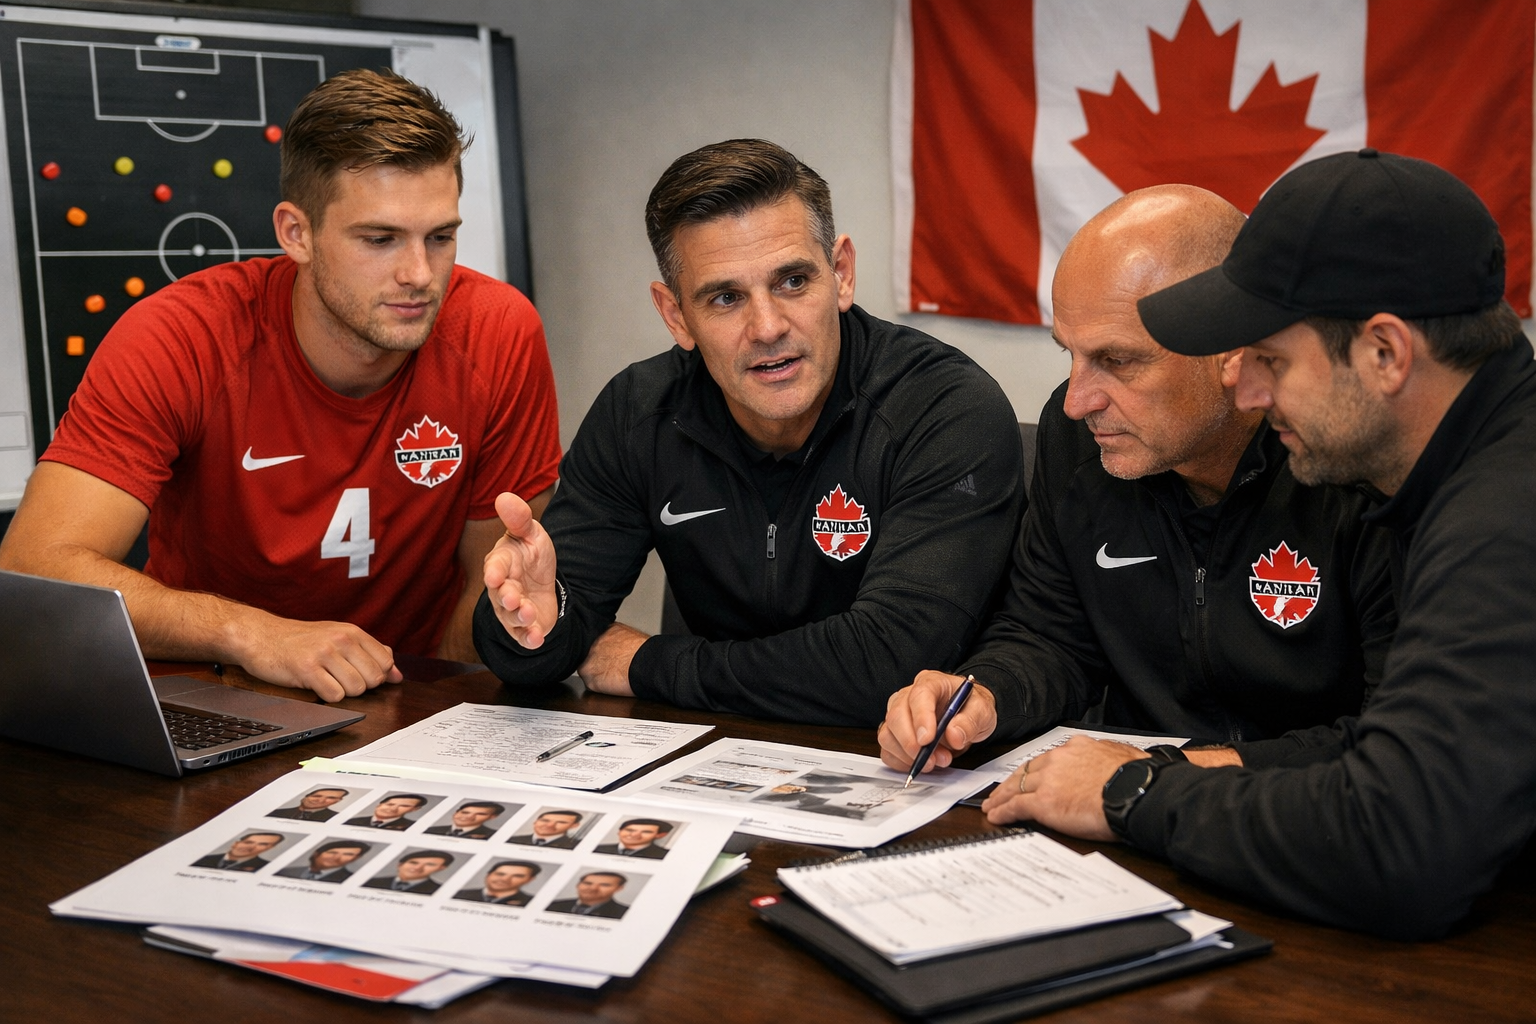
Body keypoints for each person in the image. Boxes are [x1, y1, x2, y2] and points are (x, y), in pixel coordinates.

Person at [981, 149, 1536, 940]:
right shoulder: (1468, 463)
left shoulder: (1502, 515)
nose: (1248, 389)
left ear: (1385, 354)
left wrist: (1132, 794)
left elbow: (1402, 846)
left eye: (1271, 360)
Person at [0, 69, 561, 703]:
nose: (420, 274)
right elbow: (33, 568)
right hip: (214, 693)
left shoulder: (499, 332)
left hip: (405, 702)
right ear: (296, 233)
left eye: (441, 237)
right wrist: (252, 635)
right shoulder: (179, 338)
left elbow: (483, 586)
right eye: (379, 239)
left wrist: (430, 721)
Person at [473, 138, 1024, 726]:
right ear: (676, 315)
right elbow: (531, 652)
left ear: (841, 274)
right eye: (727, 298)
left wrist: (648, 664)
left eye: (792, 282)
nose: (767, 328)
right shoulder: (640, 413)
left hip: (918, 768)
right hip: (721, 761)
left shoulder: (944, 407)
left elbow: (889, 667)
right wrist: (534, 620)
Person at [879, 185, 1398, 779]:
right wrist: (985, 698)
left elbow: (1401, 738)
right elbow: (1048, 635)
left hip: (1306, 816)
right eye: (1069, 354)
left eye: (1117, 361)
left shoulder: (1348, 459)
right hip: (1124, 816)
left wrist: (1163, 776)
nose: (1077, 401)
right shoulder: (1077, 439)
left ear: (1231, 347)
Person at [275, 839, 370, 883]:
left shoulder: (351, 880)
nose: (336, 858)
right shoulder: (285, 871)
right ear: (316, 854)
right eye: (332, 852)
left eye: (348, 854)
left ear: (356, 858)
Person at [363, 850, 455, 895]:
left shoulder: (440, 891)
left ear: (442, 868)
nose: (417, 868)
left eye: (430, 864)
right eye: (413, 862)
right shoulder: (369, 882)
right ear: (400, 865)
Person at [546, 871, 630, 919]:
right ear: (578, 885)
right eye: (587, 883)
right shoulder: (552, 905)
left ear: (619, 888)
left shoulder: (625, 913)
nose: (593, 888)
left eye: (604, 885)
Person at [454, 860, 542, 905]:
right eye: (500, 874)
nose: (504, 879)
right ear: (488, 875)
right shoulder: (458, 894)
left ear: (530, 879)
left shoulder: (532, 902)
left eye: (517, 876)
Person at [192, 833, 284, 872]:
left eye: (262, 844)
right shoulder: (202, 858)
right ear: (236, 843)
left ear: (270, 848)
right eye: (248, 842)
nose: (250, 847)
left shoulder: (267, 867)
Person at [594, 819, 672, 859]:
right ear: (619, 832)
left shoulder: (666, 855)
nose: (634, 835)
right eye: (629, 830)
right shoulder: (597, 848)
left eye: (646, 832)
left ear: (660, 835)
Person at [425, 800, 506, 839]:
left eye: (480, 814)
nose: (469, 817)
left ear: (493, 817)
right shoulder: (430, 830)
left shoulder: (494, 836)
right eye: (465, 812)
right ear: (456, 813)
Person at [344, 794, 427, 831]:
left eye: (404, 806)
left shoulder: (412, 827)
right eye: (390, 804)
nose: (393, 809)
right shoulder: (350, 821)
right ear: (379, 805)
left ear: (415, 809)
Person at [507, 809, 584, 849]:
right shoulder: (511, 839)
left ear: (574, 825)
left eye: (561, 822)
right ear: (535, 822)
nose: (549, 825)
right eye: (545, 820)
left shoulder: (576, 845)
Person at [268, 787, 350, 822]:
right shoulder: (276, 812)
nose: (320, 800)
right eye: (316, 796)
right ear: (306, 797)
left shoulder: (336, 818)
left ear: (338, 801)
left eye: (330, 798)